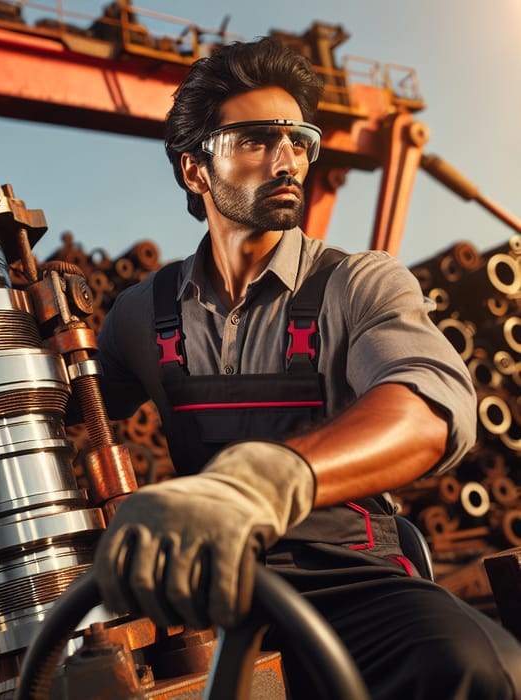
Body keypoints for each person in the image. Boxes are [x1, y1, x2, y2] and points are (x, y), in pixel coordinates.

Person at [89, 36, 521, 698]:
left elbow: (428, 408)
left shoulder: (359, 283)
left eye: (299, 140)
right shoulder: (139, 316)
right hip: (207, 590)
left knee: (471, 669)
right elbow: (69, 417)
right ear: (194, 170)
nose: (288, 158)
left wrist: (267, 481)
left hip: (348, 578)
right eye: (259, 140)